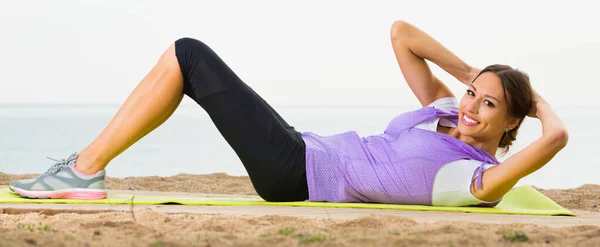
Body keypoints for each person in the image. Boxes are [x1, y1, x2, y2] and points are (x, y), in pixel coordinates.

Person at [9, 21, 568, 206]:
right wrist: (475, 75)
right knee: (187, 60)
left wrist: (531, 96)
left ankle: (83, 171)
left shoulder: (474, 178)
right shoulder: (442, 114)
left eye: (489, 104)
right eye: (473, 94)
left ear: (511, 121)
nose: (471, 107)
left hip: (296, 173)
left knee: (189, 55)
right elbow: (402, 34)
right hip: (304, 148)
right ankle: (83, 168)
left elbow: (558, 136)